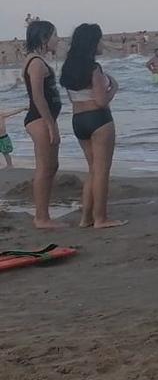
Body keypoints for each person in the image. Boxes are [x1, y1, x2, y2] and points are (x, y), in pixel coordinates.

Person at [60, 23, 125, 229]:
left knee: (92, 170)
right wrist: (113, 87)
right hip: (98, 119)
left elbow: (73, 98)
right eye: (99, 40)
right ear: (92, 43)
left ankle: (86, 217)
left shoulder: (68, 66)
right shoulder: (93, 68)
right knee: (102, 170)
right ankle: (101, 218)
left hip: (78, 120)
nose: (101, 44)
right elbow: (101, 101)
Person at [22, 20, 63, 229]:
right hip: (39, 119)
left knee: (51, 166)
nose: (58, 39)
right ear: (44, 38)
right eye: (55, 35)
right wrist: (50, 125)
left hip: (42, 119)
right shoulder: (36, 62)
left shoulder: (38, 60)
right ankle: (41, 217)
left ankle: (43, 215)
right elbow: (38, 97)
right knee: (45, 168)